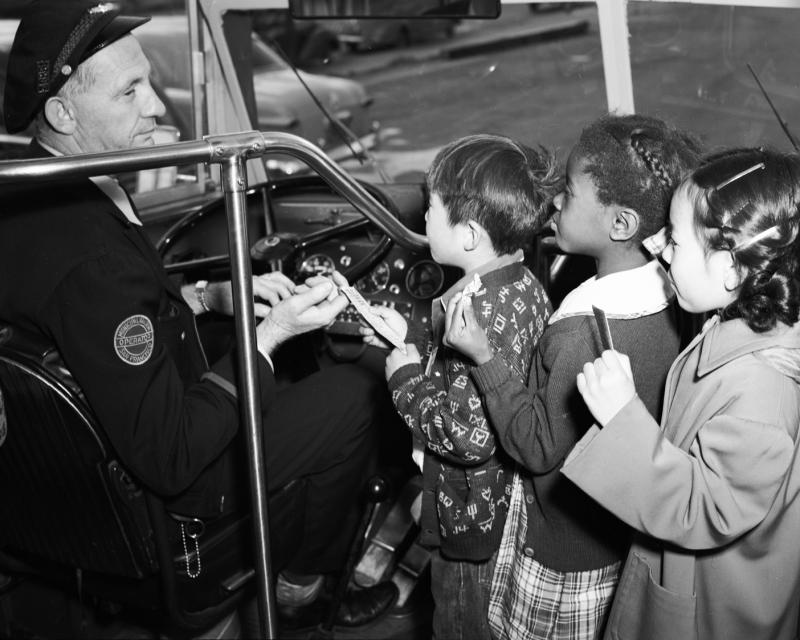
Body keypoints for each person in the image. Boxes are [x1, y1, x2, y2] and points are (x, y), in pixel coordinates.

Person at [0, 0, 397, 630]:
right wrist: (270, 337)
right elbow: (174, 456)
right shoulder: (93, 260)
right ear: (61, 112)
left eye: (149, 83)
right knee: (356, 392)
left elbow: (108, 325)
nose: (156, 107)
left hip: (66, 482)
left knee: (274, 365)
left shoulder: (34, 196)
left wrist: (212, 298)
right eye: (131, 90)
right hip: (182, 490)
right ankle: (302, 584)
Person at [443, 114, 703, 639]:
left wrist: (483, 357)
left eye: (569, 190)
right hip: (612, 539)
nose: (555, 202)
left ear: (622, 225)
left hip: (557, 555)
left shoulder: (583, 329)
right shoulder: (677, 300)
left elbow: (537, 446)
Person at [564, 147, 800, 640]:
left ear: (734, 271)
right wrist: (678, 237)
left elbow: (705, 509)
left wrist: (622, 418)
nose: (662, 252)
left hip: (709, 613)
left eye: (674, 240)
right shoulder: (748, 314)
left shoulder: (762, 393)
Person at [361, 133, 559, 639]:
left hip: (473, 517)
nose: (422, 216)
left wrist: (405, 380)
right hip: (494, 504)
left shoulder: (479, 311)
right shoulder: (520, 281)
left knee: (460, 621)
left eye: (431, 207)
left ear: (469, 234)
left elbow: (471, 439)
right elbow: (462, 376)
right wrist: (408, 340)